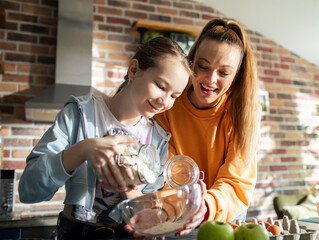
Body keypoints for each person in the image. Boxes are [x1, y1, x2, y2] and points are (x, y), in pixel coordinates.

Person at [18, 37, 206, 240]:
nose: (164, 101)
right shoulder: (81, 114)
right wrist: (83, 149)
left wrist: (135, 195)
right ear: (133, 70)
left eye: (174, 96)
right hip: (76, 233)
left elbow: (145, 212)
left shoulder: (158, 139)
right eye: (160, 85)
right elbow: (29, 190)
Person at [155, 18, 262, 223]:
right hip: (178, 209)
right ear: (191, 61)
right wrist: (180, 207)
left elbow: (235, 180)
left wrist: (204, 207)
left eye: (224, 72)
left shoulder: (244, 112)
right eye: (203, 67)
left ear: (236, 75)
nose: (210, 79)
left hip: (226, 212)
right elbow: (167, 175)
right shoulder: (169, 104)